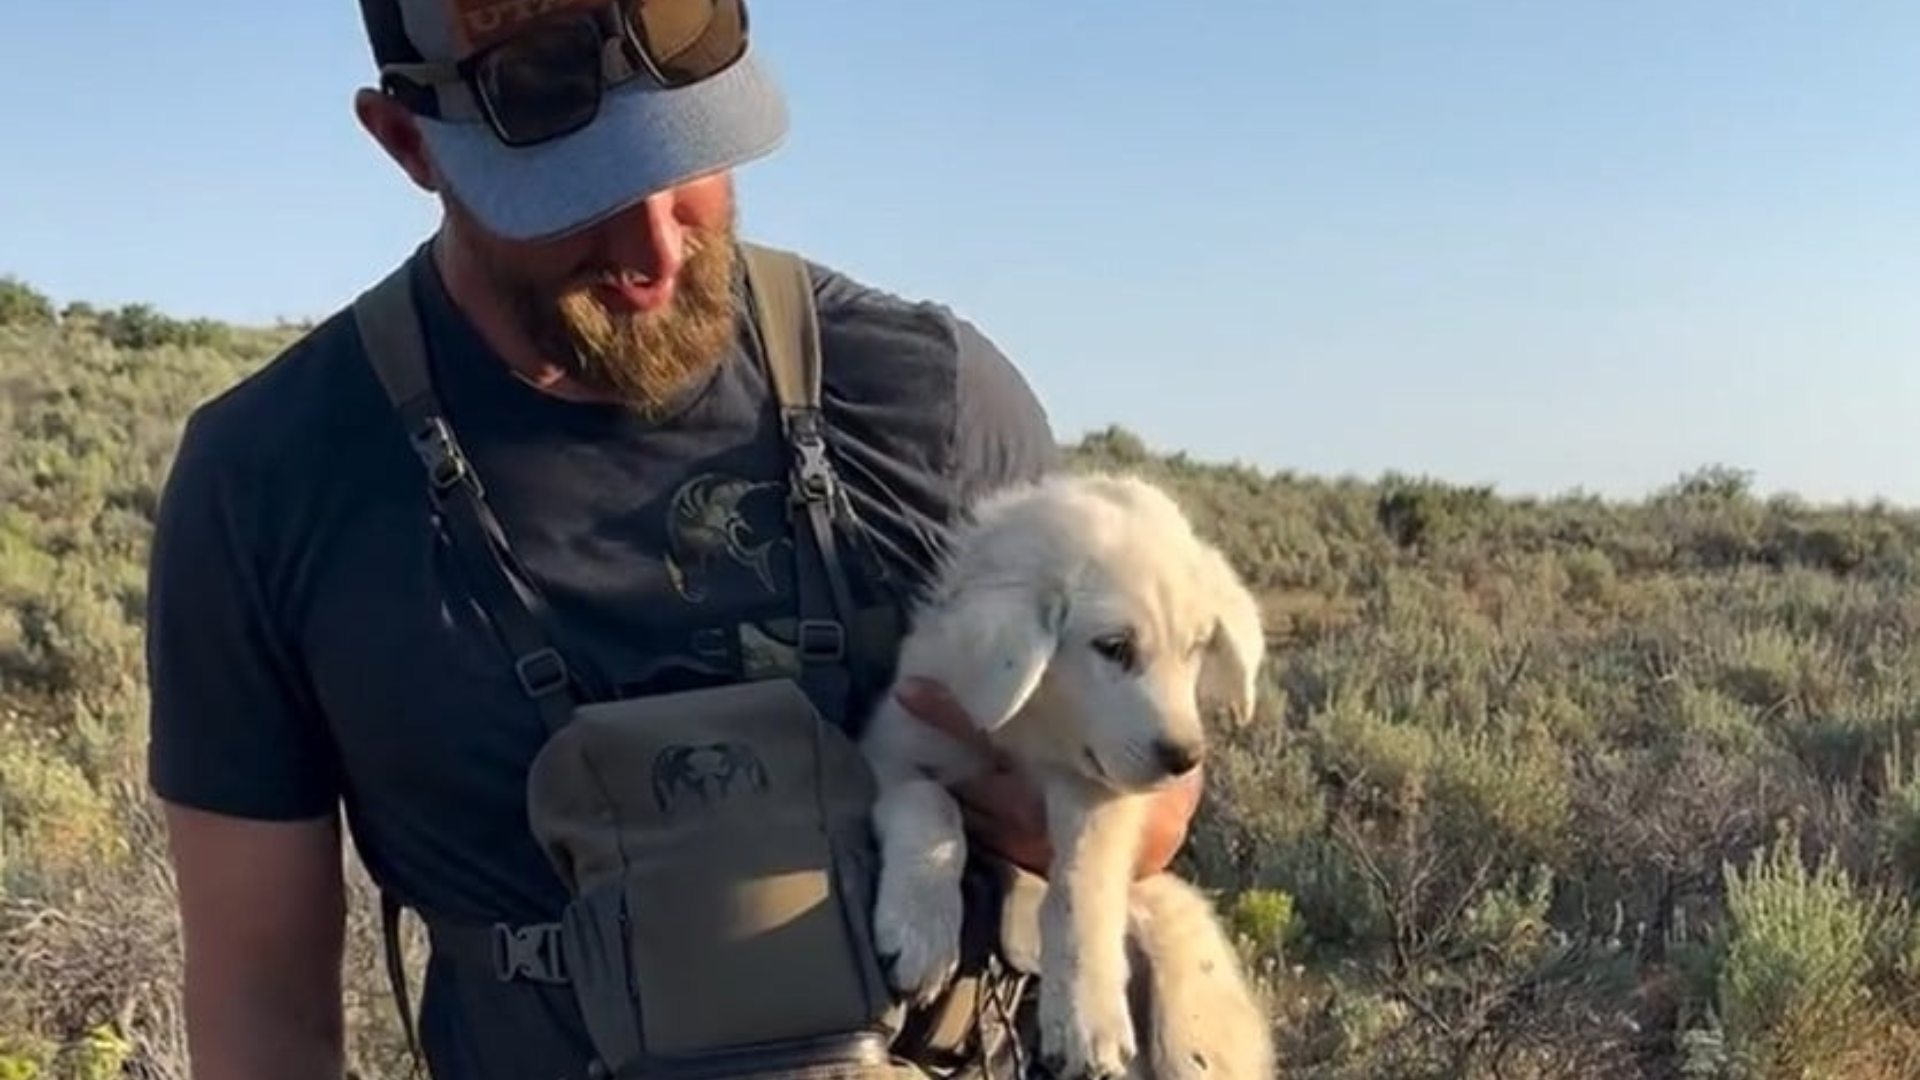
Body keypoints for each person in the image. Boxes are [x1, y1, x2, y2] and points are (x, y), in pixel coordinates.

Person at [143, 2, 1204, 1080]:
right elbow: (261, 1015)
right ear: (407, 143)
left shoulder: (930, 394)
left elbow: (1158, 800)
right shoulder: (271, 477)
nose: (654, 245)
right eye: (573, 195)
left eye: (689, 156)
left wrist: (1054, 818)